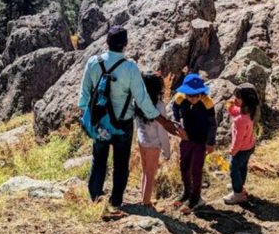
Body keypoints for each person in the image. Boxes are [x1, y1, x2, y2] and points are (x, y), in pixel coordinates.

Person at [78, 26, 185, 219]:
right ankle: (116, 201)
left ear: (107, 42)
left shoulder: (93, 62)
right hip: (122, 125)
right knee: (120, 163)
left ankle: (95, 198)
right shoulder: (130, 68)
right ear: (125, 44)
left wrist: (90, 118)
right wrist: (163, 121)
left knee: (98, 159)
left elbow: (84, 97)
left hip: (100, 123)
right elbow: (142, 100)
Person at [171, 73, 217, 214]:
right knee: (184, 166)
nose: (193, 98)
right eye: (190, 95)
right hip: (186, 139)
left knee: (196, 169)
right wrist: (179, 127)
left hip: (201, 141)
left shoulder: (207, 102)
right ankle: (186, 192)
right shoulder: (180, 98)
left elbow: (212, 124)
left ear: (201, 93)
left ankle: (195, 198)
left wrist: (210, 143)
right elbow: (174, 111)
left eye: (196, 95)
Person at [136, 72, 171, 210]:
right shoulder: (159, 105)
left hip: (141, 140)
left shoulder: (138, 101)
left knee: (145, 170)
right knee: (151, 173)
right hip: (153, 144)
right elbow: (163, 131)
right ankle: (146, 203)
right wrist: (167, 151)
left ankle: (143, 197)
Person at [223, 83, 261, 205]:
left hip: (240, 149)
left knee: (234, 169)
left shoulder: (240, 120)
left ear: (245, 100)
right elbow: (236, 111)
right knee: (242, 167)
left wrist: (233, 151)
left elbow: (238, 139)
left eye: (237, 97)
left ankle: (238, 193)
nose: (234, 99)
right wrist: (230, 107)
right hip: (249, 146)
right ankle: (239, 185)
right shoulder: (250, 111)